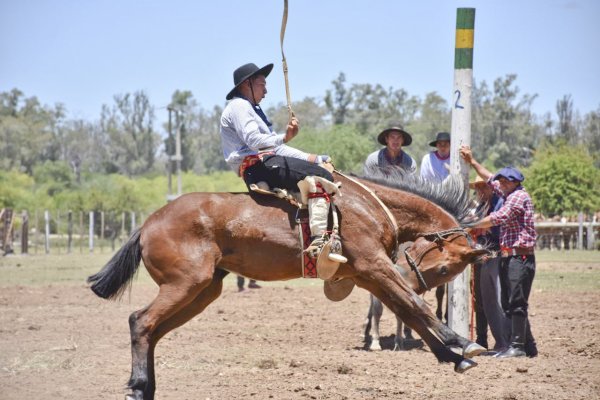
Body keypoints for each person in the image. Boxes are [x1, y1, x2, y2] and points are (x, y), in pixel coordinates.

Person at [220, 62, 346, 263]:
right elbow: (255, 141)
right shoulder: (239, 106)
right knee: (323, 176)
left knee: (318, 168)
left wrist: (313, 158)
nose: (266, 90)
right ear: (247, 84)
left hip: (266, 162)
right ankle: (320, 241)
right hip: (259, 166)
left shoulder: (250, 108)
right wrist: (284, 137)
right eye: (262, 84)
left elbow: (276, 147)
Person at [460, 145, 538, 358]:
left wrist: (470, 224)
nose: (500, 184)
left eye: (504, 182)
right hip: (510, 255)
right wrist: (473, 161)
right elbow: (490, 178)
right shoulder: (510, 191)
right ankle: (526, 345)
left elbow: (498, 218)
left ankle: (518, 346)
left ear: (514, 182)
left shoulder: (516, 198)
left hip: (519, 255)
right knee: (511, 301)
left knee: (515, 302)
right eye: (500, 181)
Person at [469, 176, 511, 354]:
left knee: (495, 299)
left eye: (483, 188)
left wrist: (485, 228)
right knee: (480, 299)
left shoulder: (500, 203)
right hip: (481, 256)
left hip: (496, 255)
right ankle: (482, 339)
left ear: (491, 188)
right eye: (478, 188)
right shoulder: (479, 207)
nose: (481, 191)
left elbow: (501, 228)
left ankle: (503, 340)